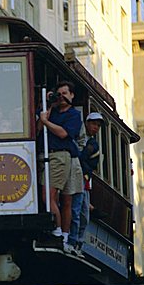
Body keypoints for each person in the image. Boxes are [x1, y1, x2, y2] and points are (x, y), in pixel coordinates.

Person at [38, 81, 82, 243]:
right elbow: (37, 129)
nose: (62, 97)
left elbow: (63, 134)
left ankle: (59, 232)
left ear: (72, 95)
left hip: (60, 157)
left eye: (65, 93)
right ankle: (59, 231)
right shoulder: (52, 111)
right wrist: (47, 106)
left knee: (52, 197)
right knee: (51, 197)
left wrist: (46, 122)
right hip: (45, 155)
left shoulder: (74, 115)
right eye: (59, 93)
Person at [68, 112, 103, 257]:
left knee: (83, 213)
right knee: (75, 210)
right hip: (73, 176)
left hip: (83, 180)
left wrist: (85, 172)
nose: (96, 127)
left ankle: (78, 243)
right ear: (87, 123)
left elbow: (89, 163)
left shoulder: (93, 145)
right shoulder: (78, 137)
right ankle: (72, 241)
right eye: (94, 124)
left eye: (98, 125)